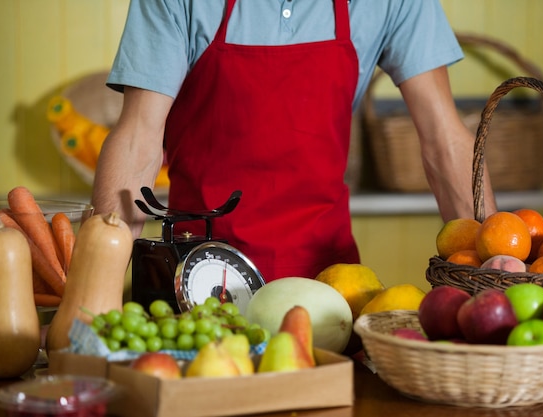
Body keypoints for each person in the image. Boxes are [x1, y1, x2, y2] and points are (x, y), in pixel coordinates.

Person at [91, 0, 497, 282]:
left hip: (330, 286)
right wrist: (93, 290)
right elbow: (138, 138)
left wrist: (494, 264)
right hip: (196, 278)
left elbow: (444, 141)